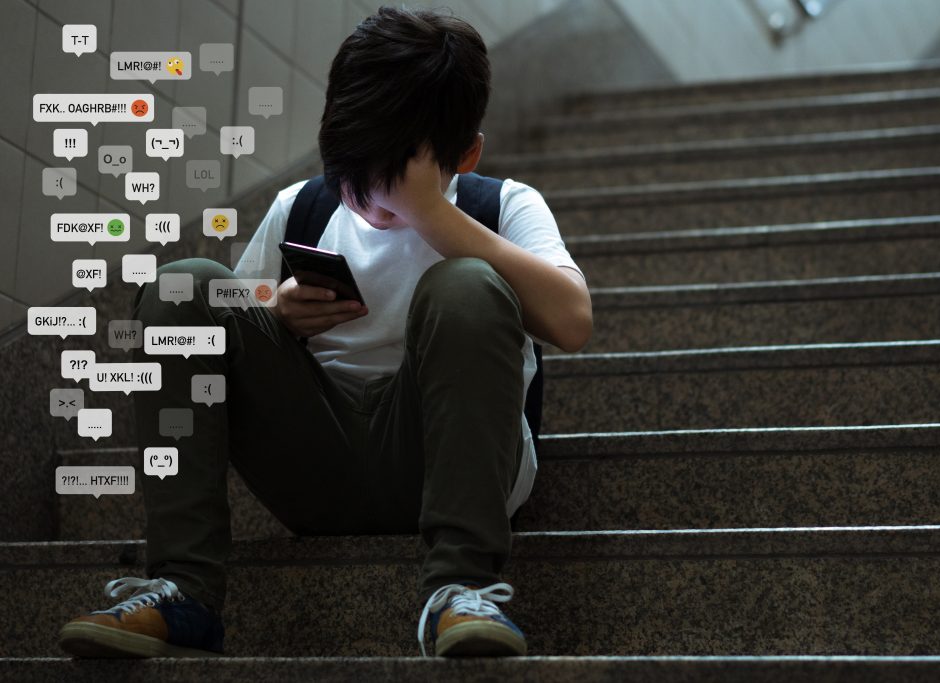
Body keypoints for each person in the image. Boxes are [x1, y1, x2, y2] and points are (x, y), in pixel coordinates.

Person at [57, 5, 591, 659]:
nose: (366, 199)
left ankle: (461, 586)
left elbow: (571, 319)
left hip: (451, 464)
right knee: (185, 284)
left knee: (468, 286)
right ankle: (185, 589)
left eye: (391, 178)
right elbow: (220, 329)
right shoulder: (304, 209)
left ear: (466, 153)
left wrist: (430, 213)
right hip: (315, 463)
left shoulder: (503, 206)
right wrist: (273, 309)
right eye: (353, 174)